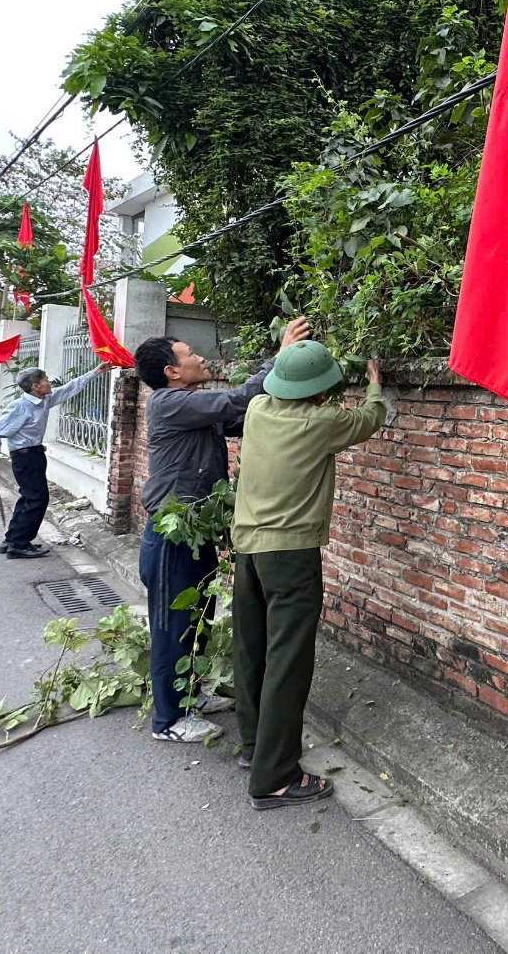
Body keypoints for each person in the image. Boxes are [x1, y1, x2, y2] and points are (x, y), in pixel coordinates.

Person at [133, 318, 309, 745]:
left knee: (198, 618)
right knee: (172, 626)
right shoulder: (168, 403)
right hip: (170, 535)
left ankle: (189, 692)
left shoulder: (192, 405)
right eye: (188, 354)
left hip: (195, 531)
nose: (198, 357)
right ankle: (169, 720)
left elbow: (242, 415)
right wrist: (280, 356)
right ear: (171, 372)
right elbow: (237, 401)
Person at [231, 344, 385, 809]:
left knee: (252, 650)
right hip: (291, 555)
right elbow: (370, 417)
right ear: (320, 387)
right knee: (288, 662)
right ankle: (275, 777)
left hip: (248, 551)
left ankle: (256, 749)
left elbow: (276, 391)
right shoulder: (324, 422)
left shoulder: (257, 408)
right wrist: (375, 381)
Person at [0, 363, 112, 558]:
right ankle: (19, 545)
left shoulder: (44, 400)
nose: (49, 383)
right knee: (37, 499)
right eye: (46, 380)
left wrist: (96, 372)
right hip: (24, 457)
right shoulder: (20, 407)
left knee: (28, 498)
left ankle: (12, 540)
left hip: (34, 454)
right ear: (35, 386)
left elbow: (68, 389)